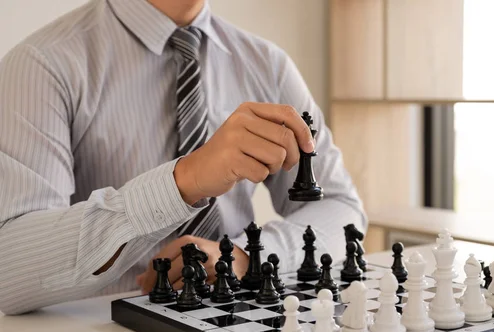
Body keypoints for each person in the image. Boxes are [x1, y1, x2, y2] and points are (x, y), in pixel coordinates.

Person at [0, 0, 366, 315]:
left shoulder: (268, 64)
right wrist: (183, 182)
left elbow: (342, 208)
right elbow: (10, 270)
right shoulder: (41, 65)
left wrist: (246, 257)